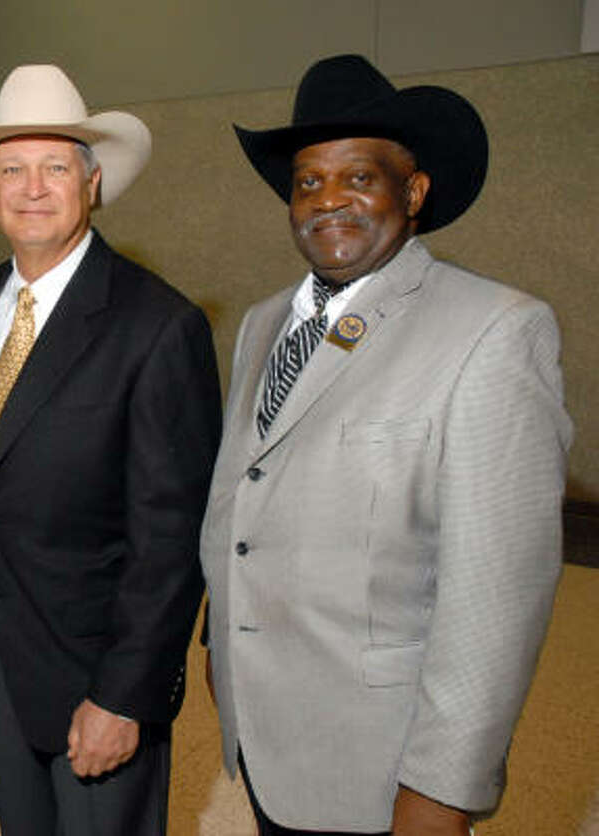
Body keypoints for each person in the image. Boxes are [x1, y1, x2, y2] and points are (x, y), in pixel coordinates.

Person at [200, 54, 572, 835]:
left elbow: (496, 603)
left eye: (359, 178)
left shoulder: (494, 331)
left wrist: (441, 792)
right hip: (266, 741)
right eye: (308, 182)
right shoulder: (265, 324)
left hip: (381, 766)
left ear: (414, 191)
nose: (328, 200)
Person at [0, 64, 222, 835]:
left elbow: (171, 538)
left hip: (97, 677)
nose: (32, 188)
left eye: (55, 167)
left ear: (92, 184)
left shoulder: (159, 326)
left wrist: (125, 694)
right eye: (12, 170)